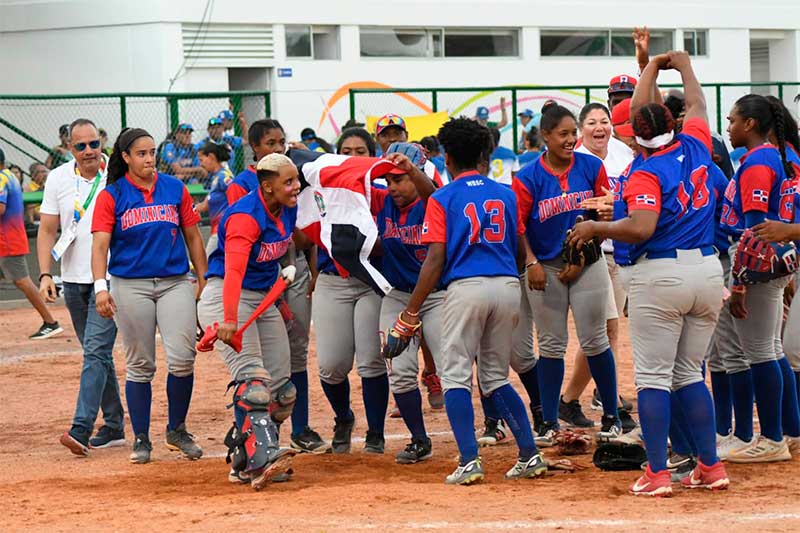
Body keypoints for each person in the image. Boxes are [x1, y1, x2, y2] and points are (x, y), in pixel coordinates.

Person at [567, 51, 730, 496]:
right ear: (673, 126)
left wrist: (596, 225)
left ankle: (657, 472)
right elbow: (697, 106)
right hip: (706, 270)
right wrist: (681, 67)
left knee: (655, 379)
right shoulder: (695, 144)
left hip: (661, 275)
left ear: (632, 137)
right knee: (690, 376)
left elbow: (641, 227)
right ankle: (710, 467)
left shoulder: (644, 170)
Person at [394, 116, 545, 485]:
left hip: (466, 287)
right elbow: (514, 242)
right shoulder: (506, 193)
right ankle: (529, 454)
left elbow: (435, 259)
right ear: (483, 154)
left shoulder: (443, 197)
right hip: (508, 285)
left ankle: (468, 460)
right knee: (496, 376)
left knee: (456, 376)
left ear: (447, 159)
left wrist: (411, 311)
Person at [91, 127, 208, 465]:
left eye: (152, 152)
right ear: (125, 157)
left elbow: (193, 238)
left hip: (174, 281)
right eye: (140, 153)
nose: (148, 159)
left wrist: (203, 280)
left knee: (183, 357)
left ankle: (177, 429)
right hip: (130, 284)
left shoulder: (174, 188)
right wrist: (101, 287)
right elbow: (100, 246)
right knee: (140, 364)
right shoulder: (112, 195)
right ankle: (141, 437)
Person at [512, 104, 622, 446]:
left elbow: (606, 213)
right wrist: (531, 263)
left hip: (588, 262)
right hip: (546, 267)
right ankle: (546, 421)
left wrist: (585, 253)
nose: (571, 139)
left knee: (595, 340)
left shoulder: (591, 166)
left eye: (573, 132)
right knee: (552, 344)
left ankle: (611, 417)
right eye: (563, 134)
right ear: (545, 136)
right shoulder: (528, 176)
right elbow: (518, 228)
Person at [198, 153, 304, 489]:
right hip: (227, 296)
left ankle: (243, 455)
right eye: (288, 182)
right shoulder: (245, 215)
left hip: (262, 297)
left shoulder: (287, 207)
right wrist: (229, 319)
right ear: (267, 186)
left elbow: (277, 249)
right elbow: (233, 271)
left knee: (282, 392)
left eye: (296, 179)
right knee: (254, 383)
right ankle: (261, 457)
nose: (296, 187)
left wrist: (281, 295)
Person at [227, 119, 328, 454]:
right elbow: (241, 252)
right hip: (252, 278)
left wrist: (311, 269)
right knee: (254, 375)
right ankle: (250, 441)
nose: (278, 147)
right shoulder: (245, 187)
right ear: (255, 148)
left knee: (293, 356)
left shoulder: (290, 188)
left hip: (287, 266)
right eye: (270, 142)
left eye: (282, 141)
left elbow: (296, 237)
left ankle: (294, 429)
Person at [37, 119, 125, 456]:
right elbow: (47, 230)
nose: (88, 151)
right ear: (69, 148)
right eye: (80, 146)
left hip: (111, 279)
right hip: (73, 281)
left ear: (102, 142)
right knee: (97, 355)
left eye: (94, 144)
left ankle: (81, 427)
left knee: (95, 352)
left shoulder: (117, 176)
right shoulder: (58, 178)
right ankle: (115, 425)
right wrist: (46, 274)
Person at [718, 93, 798, 463]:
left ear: (750, 123)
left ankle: (771, 438)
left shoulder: (758, 162)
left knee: (761, 351)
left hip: (757, 262)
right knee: (772, 348)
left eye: (733, 120)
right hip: (773, 261)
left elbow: (754, 230)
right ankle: (789, 431)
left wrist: (738, 282)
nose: (729, 126)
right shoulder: (774, 155)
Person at [560, 102, 637, 432]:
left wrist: (615, 206)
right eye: (591, 122)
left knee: (608, 330)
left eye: (604, 121)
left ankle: (570, 400)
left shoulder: (624, 156)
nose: (599, 127)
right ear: (581, 129)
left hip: (618, 250)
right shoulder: (574, 160)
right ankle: (609, 401)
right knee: (603, 330)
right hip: (590, 254)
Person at [374, 144, 441, 463]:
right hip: (398, 293)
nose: (394, 187)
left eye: (400, 179)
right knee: (399, 369)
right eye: (389, 180)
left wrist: (414, 171)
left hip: (438, 295)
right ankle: (419, 439)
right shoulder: (383, 203)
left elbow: (433, 195)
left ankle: (485, 427)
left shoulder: (433, 203)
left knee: (453, 365)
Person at [0, 146, 63, 339]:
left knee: (22, 281)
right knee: (21, 280)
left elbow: (1, 208)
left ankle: (51, 322)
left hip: (7, 239)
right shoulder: (9, 175)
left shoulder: (2, 177)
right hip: (9, 237)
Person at [194, 142, 234, 256]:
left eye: (201, 160)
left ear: (211, 157)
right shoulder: (216, 177)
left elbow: (236, 197)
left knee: (205, 263)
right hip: (217, 229)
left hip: (223, 229)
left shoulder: (224, 177)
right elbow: (205, 205)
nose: (200, 164)